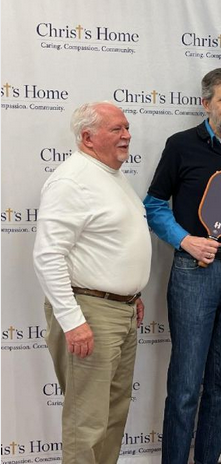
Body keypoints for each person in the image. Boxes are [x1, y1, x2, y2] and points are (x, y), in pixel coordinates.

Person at [143, 68, 221, 464]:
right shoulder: (180, 145)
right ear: (206, 103)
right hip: (194, 276)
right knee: (184, 386)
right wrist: (185, 240)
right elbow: (155, 205)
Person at [32, 102, 151, 464]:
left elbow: (109, 243)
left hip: (121, 310)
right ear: (87, 137)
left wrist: (131, 293)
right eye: (116, 129)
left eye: (127, 127)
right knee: (87, 422)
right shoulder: (72, 180)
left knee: (113, 416)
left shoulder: (110, 174)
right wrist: (73, 321)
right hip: (89, 313)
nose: (127, 135)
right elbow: (47, 256)